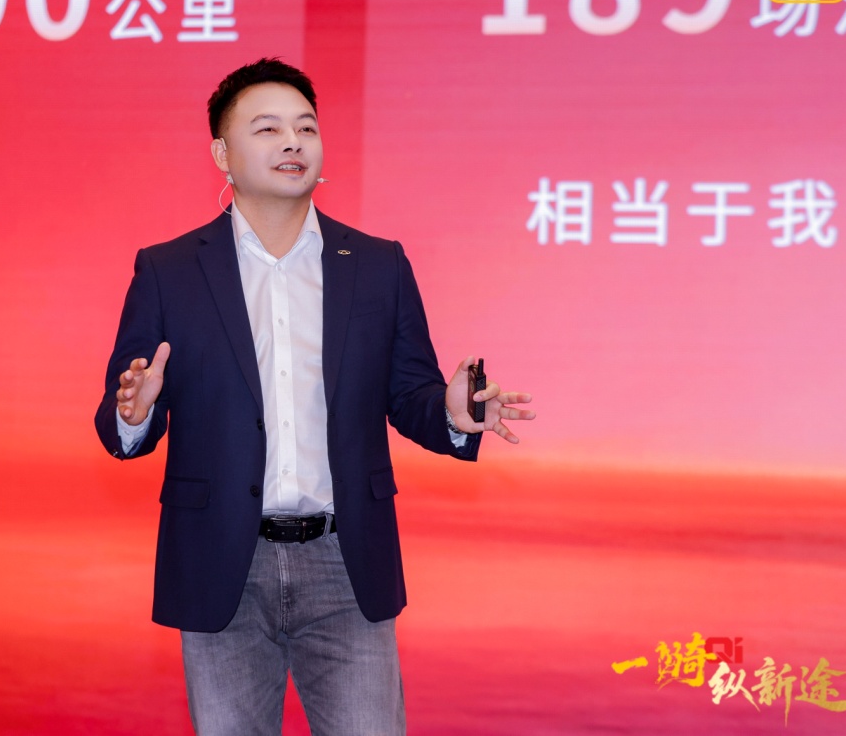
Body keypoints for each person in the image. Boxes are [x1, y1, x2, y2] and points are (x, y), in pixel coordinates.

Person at [94, 57, 535, 735]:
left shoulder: (377, 265)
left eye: (306, 127)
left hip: (344, 561)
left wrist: (450, 414)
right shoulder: (169, 270)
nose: (292, 143)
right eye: (267, 129)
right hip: (220, 561)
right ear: (222, 154)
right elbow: (119, 418)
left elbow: (409, 394)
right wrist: (136, 412)